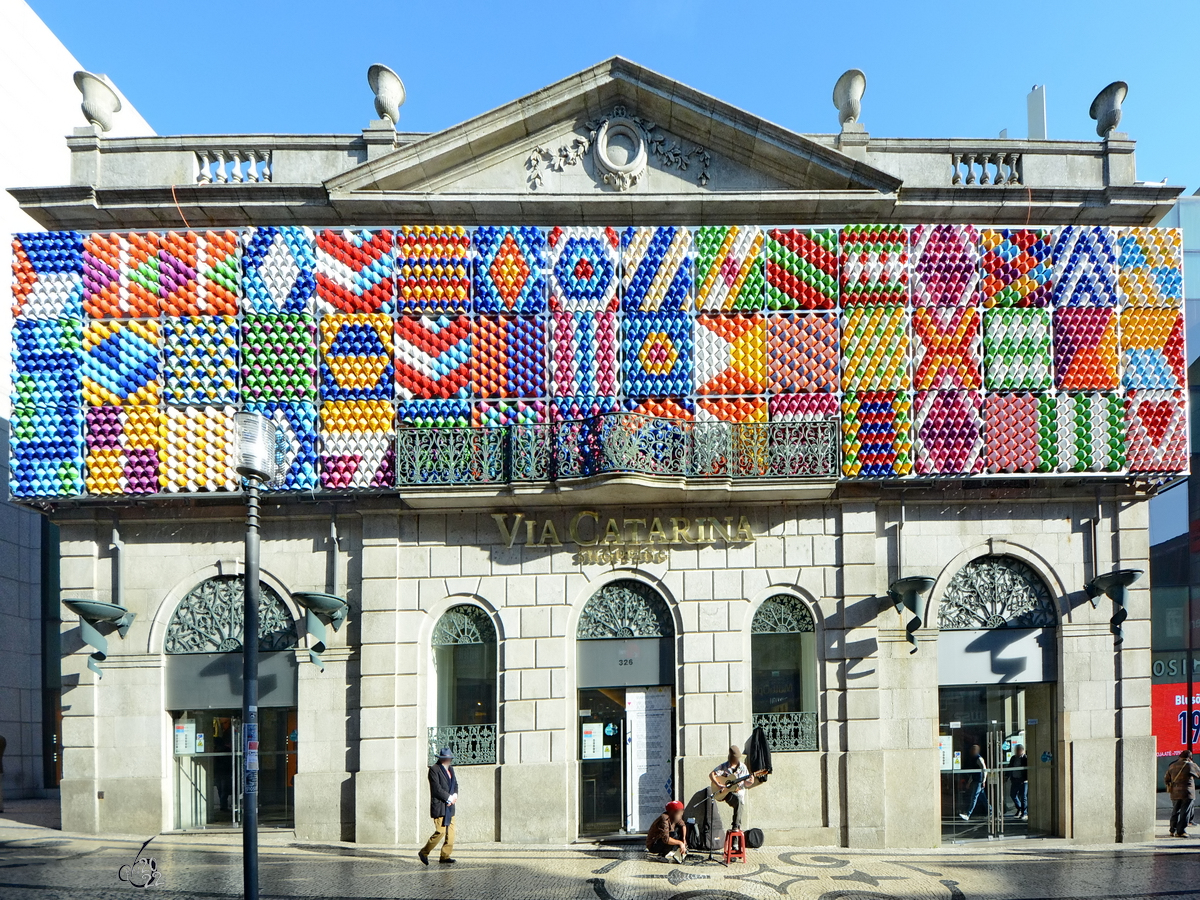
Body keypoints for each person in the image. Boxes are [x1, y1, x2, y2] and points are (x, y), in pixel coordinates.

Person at [419, 747, 459, 865]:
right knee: (440, 831)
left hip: (450, 806)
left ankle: (445, 856)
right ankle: (424, 852)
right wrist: (448, 797)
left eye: (450, 759)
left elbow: (455, 783)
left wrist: (455, 794)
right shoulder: (434, 770)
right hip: (440, 805)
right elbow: (436, 789)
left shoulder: (450, 769)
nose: (449, 761)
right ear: (442, 759)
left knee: (451, 834)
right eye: (447, 759)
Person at [710, 745, 756, 831]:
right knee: (739, 801)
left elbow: (746, 784)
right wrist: (718, 784)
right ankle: (736, 826)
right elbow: (712, 774)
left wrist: (751, 782)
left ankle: (736, 828)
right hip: (728, 794)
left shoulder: (743, 767)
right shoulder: (724, 766)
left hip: (739, 793)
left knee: (740, 801)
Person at [1165, 749, 1200, 838]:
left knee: (1175, 811)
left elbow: (1166, 779)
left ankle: (1172, 830)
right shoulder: (1191, 765)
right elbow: (1199, 774)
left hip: (1174, 792)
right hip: (1187, 792)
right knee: (1185, 812)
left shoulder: (1172, 765)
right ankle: (1180, 831)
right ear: (1190, 757)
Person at [959, 743, 989, 821]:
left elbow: (984, 769)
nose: (971, 751)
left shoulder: (979, 759)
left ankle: (968, 814)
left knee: (974, 797)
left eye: (972, 750)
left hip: (979, 781)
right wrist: (969, 782)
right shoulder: (974, 759)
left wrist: (983, 780)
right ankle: (991, 811)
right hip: (976, 780)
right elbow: (973, 772)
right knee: (983, 798)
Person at [1008, 744, 1028, 821]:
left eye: (1018, 750)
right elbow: (1010, 767)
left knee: (1023, 797)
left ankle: (1024, 812)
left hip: (1023, 780)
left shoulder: (1025, 758)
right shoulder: (1013, 758)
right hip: (1015, 779)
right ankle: (1019, 808)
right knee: (1013, 794)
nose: (1016, 752)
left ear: (1022, 750)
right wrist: (1007, 776)